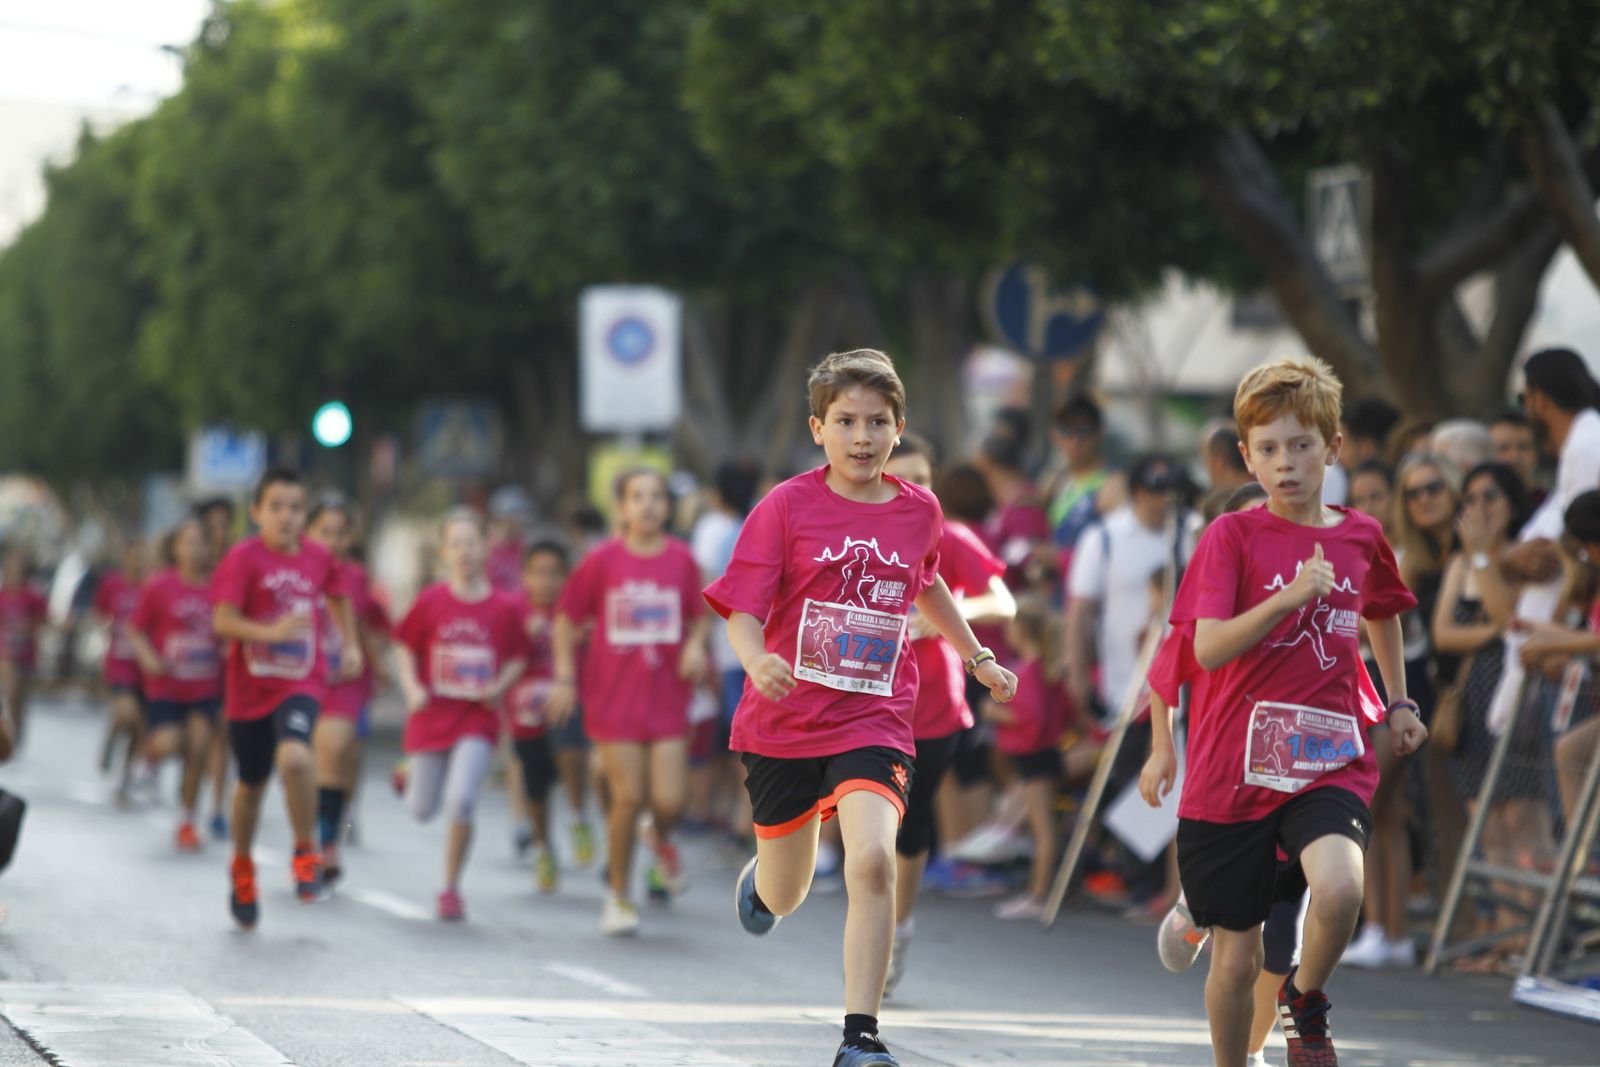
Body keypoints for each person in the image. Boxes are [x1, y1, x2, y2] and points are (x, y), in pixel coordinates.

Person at [705, 348, 1018, 1067]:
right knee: (787, 893)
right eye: (845, 421)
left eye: (878, 422)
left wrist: (977, 656)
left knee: (873, 859)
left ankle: (860, 1037)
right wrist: (757, 660)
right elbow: (742, 608)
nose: (862, 437)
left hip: (874, 716)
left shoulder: (920, 510)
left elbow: (929, 582)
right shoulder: (784, 506)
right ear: (819, 427)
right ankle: (763, 879)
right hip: (782, 721)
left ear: (899, 428)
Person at [1149, 356, 1426, 1067]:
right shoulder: (1231, 538)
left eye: (1301, 445)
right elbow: (1203, 649)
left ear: (1333, 448)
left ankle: (1304, 999)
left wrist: (1397, 699)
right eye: (1267, 449)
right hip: (1230, 774)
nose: (1285, 462)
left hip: (1328, 759)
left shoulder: (1361, 535)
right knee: (1238, 964)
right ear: (1246, 456)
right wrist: (1287, 597)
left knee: (1339, 887)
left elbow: (1385, 611)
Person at [549, 468, 710, 937]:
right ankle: (619, 897)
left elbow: (700, 616)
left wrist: (695, 645)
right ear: (621, 507)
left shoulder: (682, 559)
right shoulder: (602, 561)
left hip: (666, 699)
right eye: (637, 497)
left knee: (671, 800)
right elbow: (566, 619)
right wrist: (563, 677)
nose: (648, 505)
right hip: (613, 698)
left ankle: (657, 837)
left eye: (657, 496)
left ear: (668, 506)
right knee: (630, 796)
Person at [881, 435, 1013, 994]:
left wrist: (948, 618)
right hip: (859, 703)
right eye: (899, 480)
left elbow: (1002, 602)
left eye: (923, 481)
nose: (913, 492)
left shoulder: (949, 537)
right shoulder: (853, 536)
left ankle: (896, 931)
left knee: (908, 828)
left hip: (933, 708)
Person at [211, 467, 361, 928]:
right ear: (257, 512)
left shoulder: (318, 558)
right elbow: (223, 620)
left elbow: (338, 595)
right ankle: (242, 867)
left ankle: (305, 853)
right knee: (251, 786)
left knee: (296, 758)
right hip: (250, 688)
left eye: (296, 508)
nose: (287, 517)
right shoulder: (243, 558)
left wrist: (350, 643)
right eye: (276, 507)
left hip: (302, 680)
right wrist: (268, 631)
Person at [394, 510, 527, 921]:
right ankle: (407, 776)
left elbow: (519, 657)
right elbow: (403, 646)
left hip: (476, 720)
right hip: (432, 716)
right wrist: (412, 687)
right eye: (457, 544)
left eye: (472, 542)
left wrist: (499, 686)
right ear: (444, 552)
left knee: (462, 800)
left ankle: (449, 888)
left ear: (485, 547)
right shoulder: (431, 600)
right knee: (420, 809)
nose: (465, 552)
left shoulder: (504, 607)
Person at [305, 494, 390, 887]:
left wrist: (374, 662)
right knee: (305, 765)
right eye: (325, 532)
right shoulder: (293, 570)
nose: (333, 541)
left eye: (341, 533)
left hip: (345, 680)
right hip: (298, 677)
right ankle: (308, 841)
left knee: (337, 750)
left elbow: (362, 623)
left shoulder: (355, 576)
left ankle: (328, 845)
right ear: (309, 532)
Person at [128, 520, 222, 851]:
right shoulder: (160, 585)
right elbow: (135, 630)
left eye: (201, 542)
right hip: (166, 686)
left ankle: (186, 820)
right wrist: (149, 658)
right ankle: (149, 755)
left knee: (197, 749)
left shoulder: (218, 586)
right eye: (188, 542)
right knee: (170, 744)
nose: (195, 549)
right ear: (175, 548)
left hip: (204, 686)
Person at [982, 596, 1069, 921]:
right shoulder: (1047, 668)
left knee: (1042, 830)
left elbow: (1031, 719)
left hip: (1036, 758)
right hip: (1042, 756)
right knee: (1040, 828)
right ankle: (1038, 891)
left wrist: (995, 712)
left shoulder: (1030, 671)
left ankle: (1038, 895)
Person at [503, 539, 569, 892]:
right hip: (525, 716)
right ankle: (543, 845)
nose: (546, 581)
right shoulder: (514, 611)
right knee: (537, 787)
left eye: (554, 573)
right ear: (525, 576)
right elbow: (501, 654)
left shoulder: (571, 611)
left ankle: (577, 817)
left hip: (566, 707)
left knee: (577, 760)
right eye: (539, 573)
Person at [92, 539, 150, 805]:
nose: (138, 562)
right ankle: (111, 737)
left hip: (147, 668)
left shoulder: (152, 587)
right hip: (119, 662)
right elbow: (99, 612)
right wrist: (104, 629)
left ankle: (124, 781)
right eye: (133, 557)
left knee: (139, 728)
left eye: (143, 557)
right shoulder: (112, 583)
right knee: (127, 714)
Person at [197, 496, 239, 841]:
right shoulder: (190, 564)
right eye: (212, 525)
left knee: (221, 733)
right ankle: (189, 800)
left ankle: (216, 807)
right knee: (197, 738)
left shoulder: (237, 561)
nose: (219, 532)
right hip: (192, 667)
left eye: (225, 524)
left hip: (227, 662)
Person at [0, 548, 46, 750]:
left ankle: (16, 735)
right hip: (4, 652)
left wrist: (26, 628)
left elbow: (43, 621)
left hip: (26, 654)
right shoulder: (1, 595)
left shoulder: (33, 596)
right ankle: (7, 729)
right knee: (10, 691)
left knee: (19, 698)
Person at [1487, 410, 1540, 496]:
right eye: (1503, 448)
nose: (1515, 457)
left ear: (1536, 455)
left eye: (1523, 447)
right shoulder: (1472, 506)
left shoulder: (1552, 505)